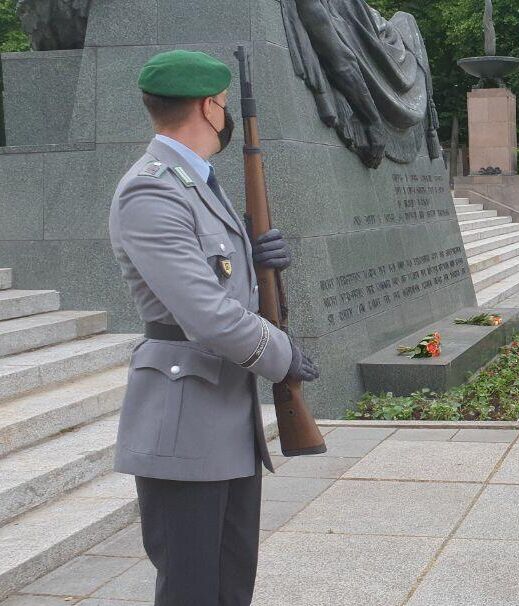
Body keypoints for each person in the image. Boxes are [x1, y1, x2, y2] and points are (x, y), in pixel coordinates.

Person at [108, 50, 320, 606]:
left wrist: (254, 256)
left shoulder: (197, 182)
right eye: (223, 106)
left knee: (229, 586)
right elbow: (203, 312)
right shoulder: (152, 188)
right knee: (191, 590)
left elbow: (224, 285)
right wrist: (283, 355)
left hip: (224, 416)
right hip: (184, 421)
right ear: (211, 107)